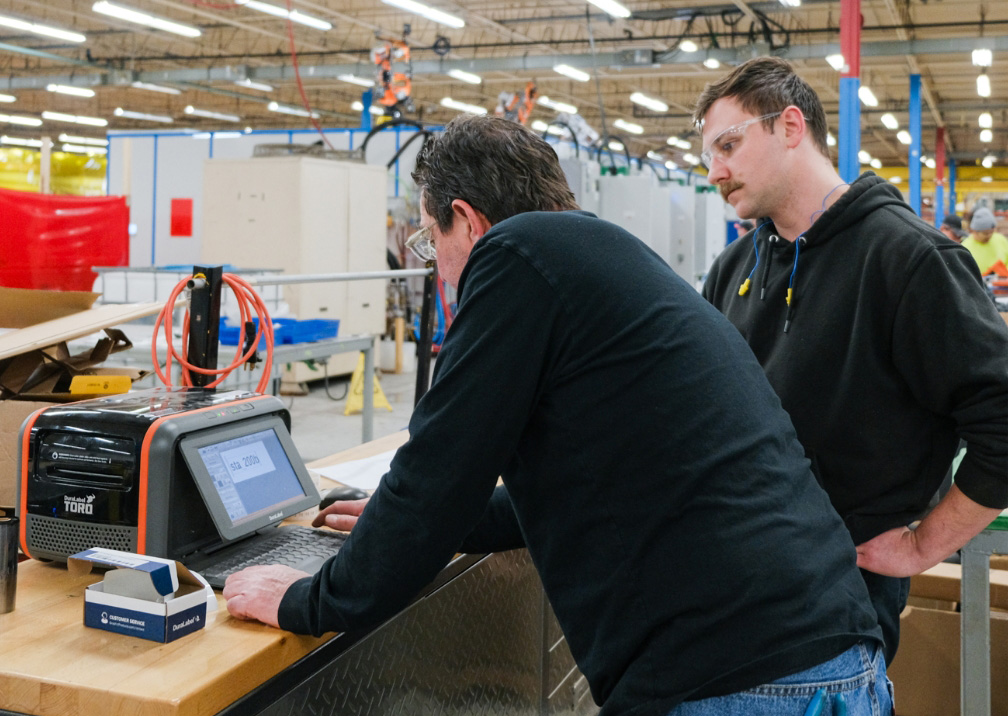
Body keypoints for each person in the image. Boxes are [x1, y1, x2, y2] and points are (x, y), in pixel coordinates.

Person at [223, 115, 890, 715]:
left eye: (432, 241)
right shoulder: (598, 257)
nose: (440, 269)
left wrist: (307, 599)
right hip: (834, 656)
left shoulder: (512, 257)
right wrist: (408, 525)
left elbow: (438, 463)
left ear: (470, 220)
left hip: (731, 676)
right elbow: (597, 479)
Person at [694, 56, 1008, 665]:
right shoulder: (734, 269)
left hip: (838, 605)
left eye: (728, 145)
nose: (716, 172)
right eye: (708, 155)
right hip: (730, 580)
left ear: (790, 127)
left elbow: (1002, 421)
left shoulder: (907, 260)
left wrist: (922, 546)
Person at [962, 206, 1008, 274]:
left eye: (991, 232)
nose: (989, 235)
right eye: (985, 233)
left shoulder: (1001, 240)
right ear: (974, 231)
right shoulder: (965, 247)